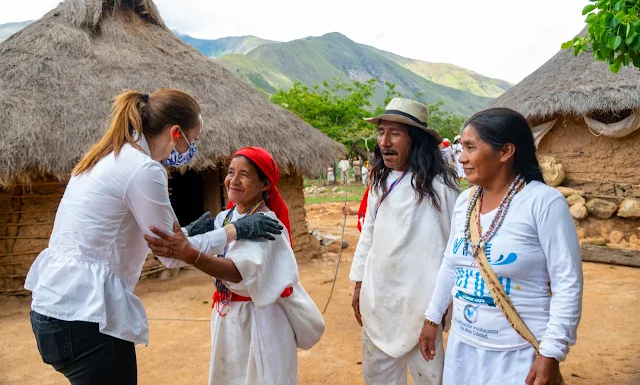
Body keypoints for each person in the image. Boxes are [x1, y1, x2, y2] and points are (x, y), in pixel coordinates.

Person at [25, 90, 282, 385]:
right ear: (176, 133)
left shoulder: (106, 157)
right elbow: (172, 255)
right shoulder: (145, 170)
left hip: (52, 310)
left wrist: (193, 232)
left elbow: (159, 241)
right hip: (88, 316)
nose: (192, 147)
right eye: (193, 139)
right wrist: (234, 230)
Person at [419, 108, 583, 385]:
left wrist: (551, 352)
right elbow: (451, 263)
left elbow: (567, 283)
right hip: (463, 348)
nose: (461, 157)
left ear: (506, 151)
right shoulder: (465, 202)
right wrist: (432, 318)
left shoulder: (544, 203)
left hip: (516, 354)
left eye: (471, 147)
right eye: (461, 148)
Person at [145, 147, 323, 385]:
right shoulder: (225, 218)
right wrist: (184, 237)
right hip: (229, 317)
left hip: (262, 321)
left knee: (261, 377)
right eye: (230, 172)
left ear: (264, 184)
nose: (234, 180)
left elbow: (237, 271)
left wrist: (191, 255)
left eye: (245, 174)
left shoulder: (266, 222)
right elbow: (200, 243)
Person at [349, 98, 460, 385]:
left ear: (417, 139)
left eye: (395, 133)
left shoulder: (442, 188)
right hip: (380, 300)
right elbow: (369, 234)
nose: (384, 141)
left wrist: (444, 304)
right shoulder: (378, 183)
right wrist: (359, 284)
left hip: (422, 306)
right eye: (381, 132)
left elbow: (455, 247)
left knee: (430, 379)